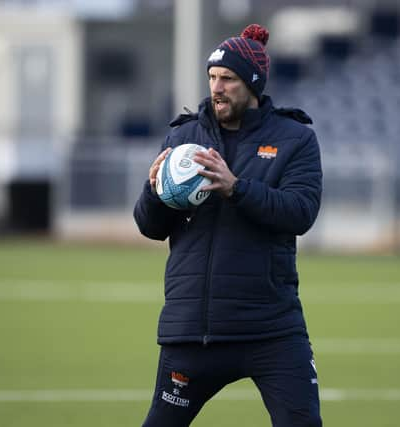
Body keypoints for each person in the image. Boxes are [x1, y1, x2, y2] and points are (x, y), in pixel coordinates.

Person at [134, 24, 323, 427]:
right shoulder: (184, 136)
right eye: (212, 77)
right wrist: (155, 191)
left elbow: (300, 212)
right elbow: (149, 226)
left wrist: (236, 188)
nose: (216, 87)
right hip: (193, 331)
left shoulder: (294, 139)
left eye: (228, 79)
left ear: (253, 84)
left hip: (271, 329)